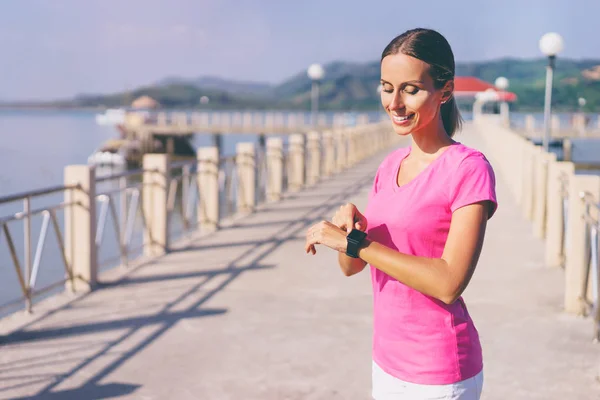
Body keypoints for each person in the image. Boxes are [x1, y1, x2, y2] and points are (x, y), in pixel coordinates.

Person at [304, 28, 497, 400]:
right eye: (386, 87)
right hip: (387, 362)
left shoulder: (468, 168)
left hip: (438, 371)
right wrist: (351, 231)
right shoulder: (390, 166)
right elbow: (352, 267)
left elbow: (448, 283)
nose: (394, 102)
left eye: (410, 89)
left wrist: (356, 243)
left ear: (445, 90)